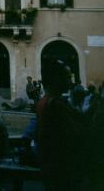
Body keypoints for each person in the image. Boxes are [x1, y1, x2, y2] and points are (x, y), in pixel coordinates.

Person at [37, 59, 88, 191]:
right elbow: (77, 135)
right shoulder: (56, 106)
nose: (70, 82)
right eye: (67, 77)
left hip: (52, 169)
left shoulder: (45, 101)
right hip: (63, 171)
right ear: (56, 79)